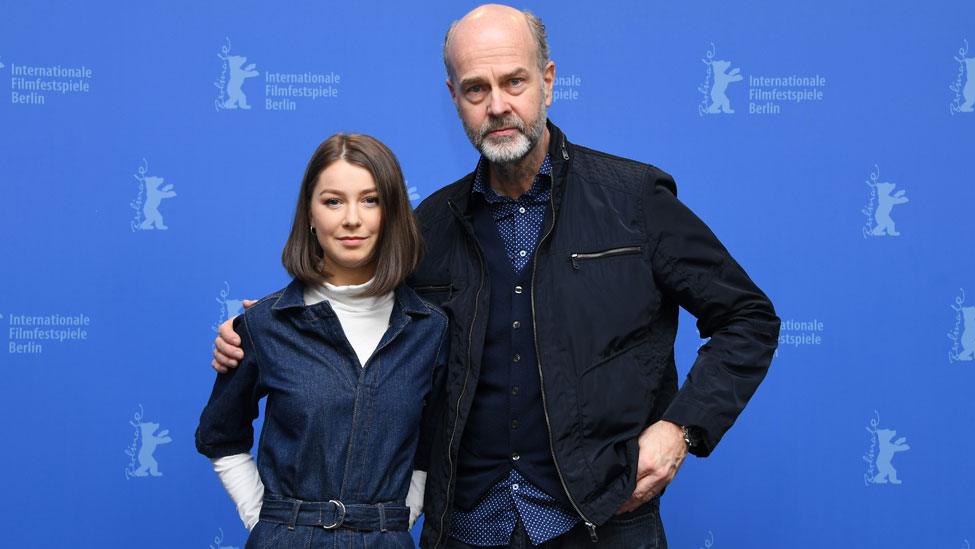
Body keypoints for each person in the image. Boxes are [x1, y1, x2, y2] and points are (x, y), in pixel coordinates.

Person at [214, 5, 780, 548]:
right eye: (476, 89)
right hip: (462, 528)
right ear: (454, 98)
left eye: (515, 82)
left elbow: (748, 318)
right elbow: (362, 298)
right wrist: (268, 321)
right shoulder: (427, 228)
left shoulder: (633, 200)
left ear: (548, 81)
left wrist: (679, 428)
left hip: (605, 521)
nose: (498, 105)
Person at [198, 133, 448, 549]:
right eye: (333, 201)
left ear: (393, 213)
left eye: (371, 200)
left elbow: (434, 446)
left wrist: (395, 519)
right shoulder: (265, 324)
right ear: (310, 215)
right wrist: (267, 522)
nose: (352, 218)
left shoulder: (429, 329)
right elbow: (219, 435)